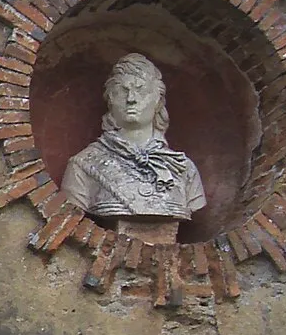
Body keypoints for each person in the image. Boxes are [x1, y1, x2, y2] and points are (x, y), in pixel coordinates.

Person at [60, 53, 205, 221]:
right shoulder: (83, 165)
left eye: (141, 90)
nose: (131, 99)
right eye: (122, 91)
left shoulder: (183, 168)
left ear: (158, 101)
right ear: (110, 100)